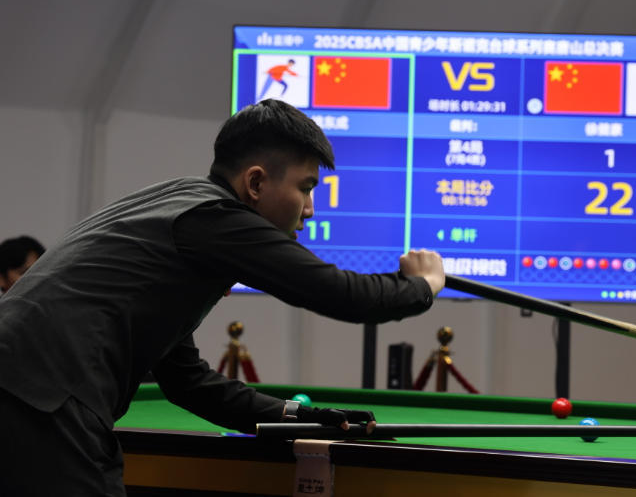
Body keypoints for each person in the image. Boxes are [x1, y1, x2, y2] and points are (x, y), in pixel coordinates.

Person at [0, 99, 445, 496]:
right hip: (43, 403)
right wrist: (422, 285)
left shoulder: (181, 210)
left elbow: (186, 381)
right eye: (306, 188)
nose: (310, 210)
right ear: (256, 183)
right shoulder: (215, 218)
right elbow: (343, 295)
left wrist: (293, 415)